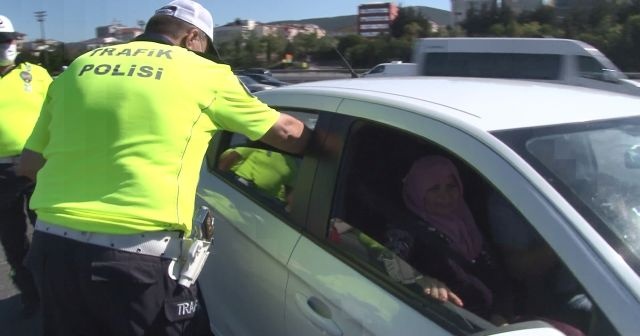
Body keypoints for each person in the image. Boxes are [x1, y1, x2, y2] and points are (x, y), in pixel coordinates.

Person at [17, 1, 310, 335]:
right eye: (204, 48)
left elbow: (30, 164)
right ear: (192, 38)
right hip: (135, 259)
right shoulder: (204, 73)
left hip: (52, 249)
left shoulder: (80, 66)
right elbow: (287, 134)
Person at [386, 155, 513, 324]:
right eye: (434, 189)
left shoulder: (470, 225)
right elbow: (386, 266)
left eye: (451, 187)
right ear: (417, 190)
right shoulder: (406, 232)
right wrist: (418, 279)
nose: (445, 196)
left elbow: (498, 277)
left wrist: (500, 315)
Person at [0, 14, 52, 317]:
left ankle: (55, 290)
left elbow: (59, 112)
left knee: (49, 233)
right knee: (13, 240)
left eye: (8, 39)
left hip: (38, 165)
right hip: (0, 174)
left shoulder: (37, 74)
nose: (5, 45)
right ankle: (31, 296)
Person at [218, 146, 299, 210]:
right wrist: (219, 181)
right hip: (239, 186)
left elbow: (290, 193)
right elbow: (231, 158)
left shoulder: (293, 165)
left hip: (262, 202)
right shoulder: (260, 146)